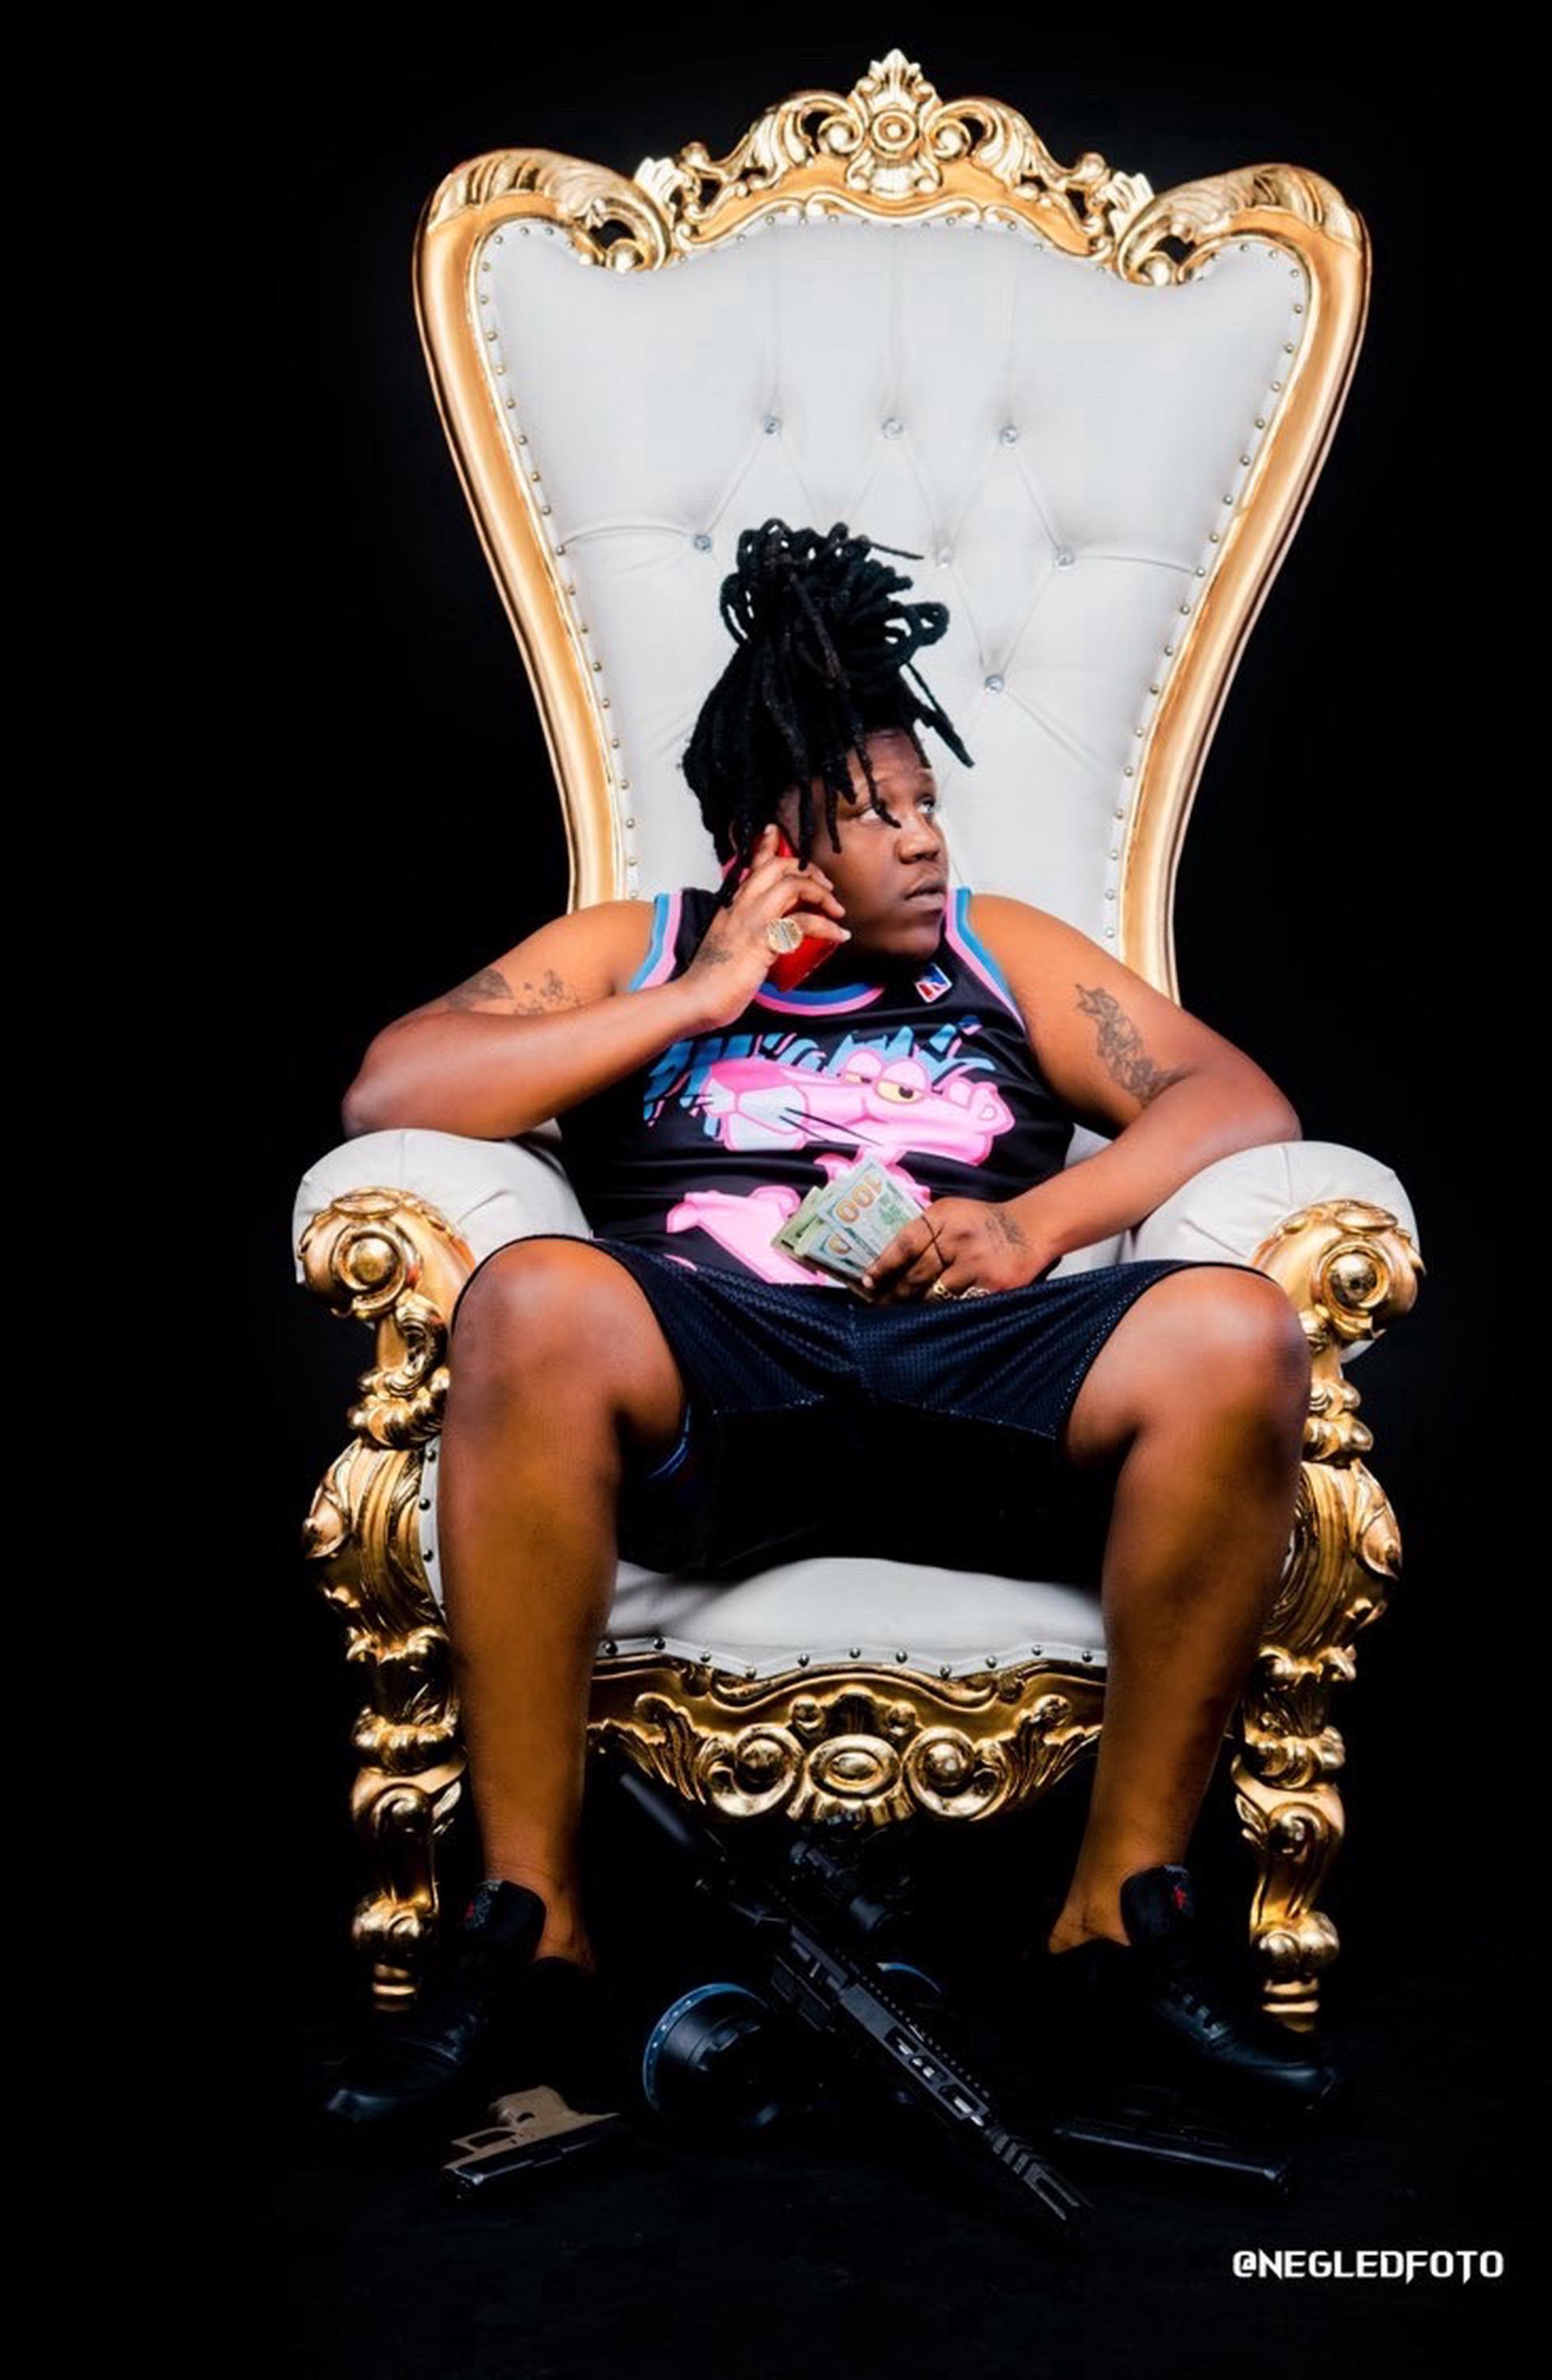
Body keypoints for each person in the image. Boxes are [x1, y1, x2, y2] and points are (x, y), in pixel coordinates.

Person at [320, 519, 1345, 2140]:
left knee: (1235, 1331)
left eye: (926, 804)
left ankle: (1119, 1915)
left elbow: (1236, 1096)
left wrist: (1033, 1226)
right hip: (723, 1362)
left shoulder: (1003, 950)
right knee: (531, 1293)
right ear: (772, 847)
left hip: (969, 1361)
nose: (925, 841)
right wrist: (694, 998)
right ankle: (534, 1925)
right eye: (877, 814)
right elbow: (396, 1085)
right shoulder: (642, 948)